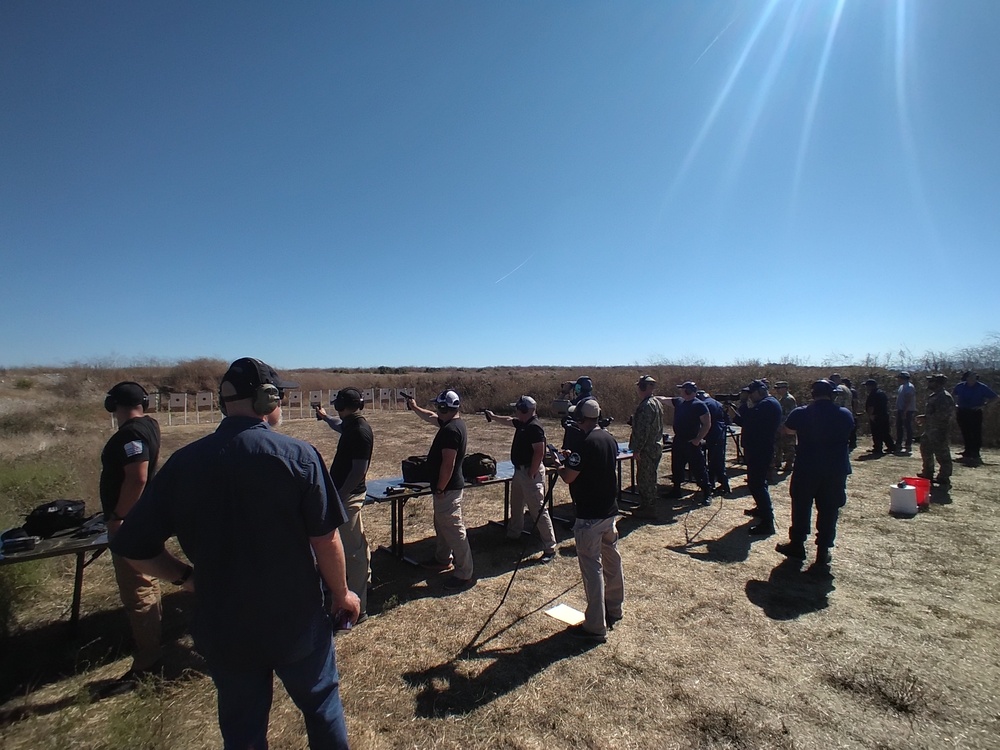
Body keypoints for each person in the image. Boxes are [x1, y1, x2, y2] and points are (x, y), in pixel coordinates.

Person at [110, 357, 360, 750]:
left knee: (243, 730)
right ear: (266, 400)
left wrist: (188, 578)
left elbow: (131, 546)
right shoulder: (299, 456)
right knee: (321, 708)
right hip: (294, 620)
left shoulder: (183, 464)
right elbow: (326, 541)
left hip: (224, 624)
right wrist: (342, 593)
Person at [100, 381, 162, 690]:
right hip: (141, 517)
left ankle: (148, 659)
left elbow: (137, 477)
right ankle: (150, 638)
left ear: (114, 405)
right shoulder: (149, 425)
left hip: (130, 521)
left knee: (136, 588)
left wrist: (119, 516)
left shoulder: (132, 434)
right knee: (146, 583)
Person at [552, 399, 623, 642]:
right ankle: (614, 608)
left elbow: (569, 477)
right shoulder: (608, 438)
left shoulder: (585, 443)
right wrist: (573, 458)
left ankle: (595, 625)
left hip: (589, 516)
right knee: (612, 560)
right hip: (609, 511)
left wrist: (558, 465)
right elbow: (591, 465)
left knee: (592, 568)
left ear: (581, 418)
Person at [775, 379, 854, 574]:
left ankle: (797, 545)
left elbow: (788, 430)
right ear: (832, 394)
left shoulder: (801, 413)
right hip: (835, 470)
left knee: (801, 506)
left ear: (813, 394)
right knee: (829, 510)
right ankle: (822, 551)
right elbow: (849, 431)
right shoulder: (844, 414)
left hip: (807, 468)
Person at [403, 389, 474, 590]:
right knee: (442, 526)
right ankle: (443, 559)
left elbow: (448, 464)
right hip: (447, 488)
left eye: (438, 406)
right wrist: (415, 407)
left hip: (448, 488)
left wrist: (441, 487)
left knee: (454, 530)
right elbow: (431, 417)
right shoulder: (453, 423)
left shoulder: (451, 431)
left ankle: (464, 573)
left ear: (445, 407)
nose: (436, 409)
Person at [315, 387, 374, 623]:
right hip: (344, 495)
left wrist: (339, 496)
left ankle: (359, 608)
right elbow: (338, 426)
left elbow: (359, 471)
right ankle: (365, 583)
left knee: (351, 553)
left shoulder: (360, 431)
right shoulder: (351, 424)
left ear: (343, 405)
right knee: (356, 544)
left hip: (348, 497)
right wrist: (324, 416)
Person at [484, 396, 558, 563]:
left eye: (518, 409)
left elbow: (539, 451)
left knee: (538, 510)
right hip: (520, 472)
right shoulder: (523, 423)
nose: (516, 412)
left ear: (525, 410)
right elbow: (509, 421)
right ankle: (514, 534)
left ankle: (550, 546)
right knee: (516, 505)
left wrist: (532, 472)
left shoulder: (534, 427)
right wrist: (494, 417)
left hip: (529, 472)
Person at [730, 380, 783, 536]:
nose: (750, 397)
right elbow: (748, 422)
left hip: (760, 449)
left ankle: (767, 521)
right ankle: (761, 509)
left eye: (751, 393)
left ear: (760, 391)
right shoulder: (767, 403)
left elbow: (748, 419)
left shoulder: (768, 404)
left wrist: (742, 405)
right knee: (759, 482)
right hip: (758, 448)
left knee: (756, 484)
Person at [667, 381, 712, 505]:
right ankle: (676, 490)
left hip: (691, 442)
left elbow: (707, 424)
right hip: (679, 440)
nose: (680, 391)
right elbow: (665, 400)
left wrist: (698, 439)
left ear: (688, 391)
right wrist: (653, 397)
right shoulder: (680, 402)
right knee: (676, 467)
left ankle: (707, 493)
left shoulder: (699, 405)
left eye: (682, 389)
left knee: (698, 469)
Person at [628, 376, 664, 518]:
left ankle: (648, 508)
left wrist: (637, 449)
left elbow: (643, 431)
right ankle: (646, 505)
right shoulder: (656, 403)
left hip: (647, 449)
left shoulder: (646, 405)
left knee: (645, 479)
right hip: (654, 446)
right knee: (650, 477)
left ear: (643, 387)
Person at [918, 374, 956, 489]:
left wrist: (927, 418)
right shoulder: (935, 395)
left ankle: (944, 476)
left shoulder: (944, 397)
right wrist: (925, 417)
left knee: (942, 453)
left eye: (932, 382)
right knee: (925, 449)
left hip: (939, 430)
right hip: (930, 429)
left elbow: (943, 415)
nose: (929, 384)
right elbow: (934, 412)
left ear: (938, 383)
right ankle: (927, 473)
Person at [952, 371, 998, 466]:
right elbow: (952, 395)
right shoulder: (960, 386)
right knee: (965, 431)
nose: (973, 378)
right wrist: (954, 405)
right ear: (967, 377)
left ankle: (975, 454)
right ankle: (967, 452)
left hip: (975, 412)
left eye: (974, 377)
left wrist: (984, 406)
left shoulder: (981, 387)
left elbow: (995, 397)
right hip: (962, 411)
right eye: (971, 377)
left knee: (975, 432)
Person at [696, 389, 729, 495]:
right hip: (721, 433)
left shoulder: (704, 404)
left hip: (712, 434)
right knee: (718, 459)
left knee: (714, 461)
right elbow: (727, 420)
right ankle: (718, 483)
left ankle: (719, 484)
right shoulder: (717, 403)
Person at [863, 378, 896, 456]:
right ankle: (891, 446)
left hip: (876, 416)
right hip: (884, 415)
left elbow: (871, 406)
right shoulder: (881, 393)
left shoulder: (873, 394)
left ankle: (878, 448)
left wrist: (870, 415)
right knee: (885, 432)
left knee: (876, 433)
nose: (866, 388)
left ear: (871, 386)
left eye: (867, 386)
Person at [773, 381, 797, 472]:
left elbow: (788, 415)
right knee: (779, 445)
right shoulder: (783, 399)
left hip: (787, 427)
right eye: (776, 388)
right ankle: (778, 462)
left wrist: (784, 427)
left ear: (785, 388)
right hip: (782, 427)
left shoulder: (788, 399)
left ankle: (789, 464)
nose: (777, 390)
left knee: (789, 446)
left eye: (779, 388)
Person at [895, 371, 917, 454]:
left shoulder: (909, 387)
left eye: (899, 377)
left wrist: (905, 411)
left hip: (907, 410)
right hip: (900, 409)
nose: (898, 379)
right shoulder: (901, 386)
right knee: (899, 427)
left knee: (907, 427)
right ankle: (898, 444)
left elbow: (908, 399)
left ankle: (908, 444)